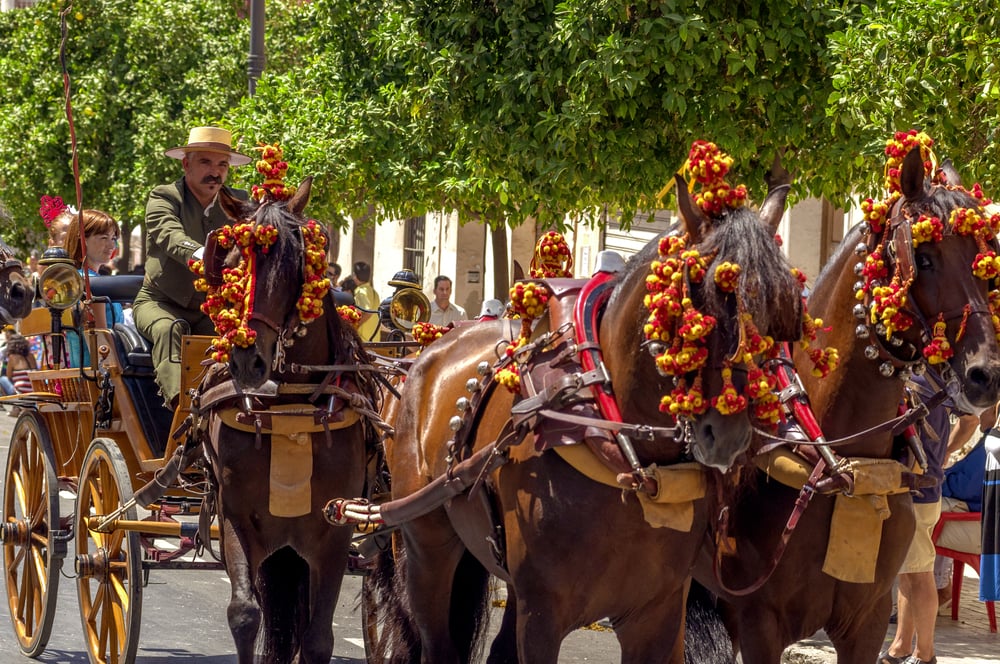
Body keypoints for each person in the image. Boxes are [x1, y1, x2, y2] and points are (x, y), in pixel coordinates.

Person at [132, 126, 251, 409]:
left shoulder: (239, 202)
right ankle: (182, 410)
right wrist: (205, 256)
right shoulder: (163, 197)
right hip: (160, 302)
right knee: (169, 329)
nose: (215, 171)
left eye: (222, 164)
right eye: (205, 162)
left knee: (242, 335)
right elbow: (169, 235)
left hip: (214, 307)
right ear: (186, 164)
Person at [880, 376, 975, 664]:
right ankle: (900, 647)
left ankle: (925, 654)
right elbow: (969, 420)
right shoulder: (935, 380)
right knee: (909, 571)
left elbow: (970, 420)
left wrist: (944, 453)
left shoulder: (919, 380)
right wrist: (944, 454)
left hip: (917, 492)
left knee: (919, 575)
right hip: (920, 489)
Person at [61, 209, 127, 365]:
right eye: (104, 238)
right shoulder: (90, 283)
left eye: (113, 238)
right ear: (82, 240)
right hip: (99, 379)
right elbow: (101, 344)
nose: (112, 245)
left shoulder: (76, 278)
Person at [351, 261, 380, 342]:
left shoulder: (361, 292)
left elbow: (368, 312)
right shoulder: (374, 292)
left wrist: (355, 326)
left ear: (356, 276)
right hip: (374, 338)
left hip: (363, 339)